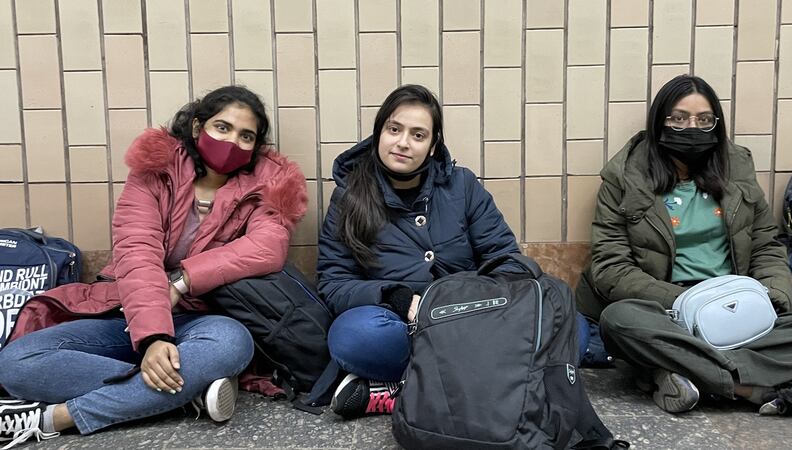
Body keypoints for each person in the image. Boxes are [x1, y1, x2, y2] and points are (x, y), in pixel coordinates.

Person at [0, 86, 308, 447]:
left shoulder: (270, 185)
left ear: (255, 146)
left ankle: (59, 418)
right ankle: (190, 395)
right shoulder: (155, 171)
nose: (232, 142)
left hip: (205, 317)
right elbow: (137, 250)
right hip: (129, 311)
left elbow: (266, 247)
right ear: (197, 127)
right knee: (18, 361)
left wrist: (181, 281)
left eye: (245, 136)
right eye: (222, 128)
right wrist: (154, 337)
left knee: (231, 344)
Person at [317, 84, 584, 419]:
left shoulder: (462, 185)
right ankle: (495, 386)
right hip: (403, 322)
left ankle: (403, 393)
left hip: (474, 316)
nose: (402, 143)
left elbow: (505, 258)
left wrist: (478, 303)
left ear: (432, 145)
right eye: (394, 129)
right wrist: (395, 297)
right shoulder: (348, 197)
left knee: (573, 327)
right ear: (378, 132)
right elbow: (334, 283)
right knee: (354, 337)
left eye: (418, 135)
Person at [575, 74, 792, 415]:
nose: (692, 127)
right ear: (659, 121)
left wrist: (769, 294)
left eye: (704, 119)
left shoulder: (737, 167)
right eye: (678, 118)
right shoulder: (624, 177)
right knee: (619, 322)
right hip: (667, 309)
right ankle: (748, 387)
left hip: (736, 304)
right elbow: (611, 267)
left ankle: (681, 372)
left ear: (716, 123)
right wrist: (686, 304)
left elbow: (766, 243)